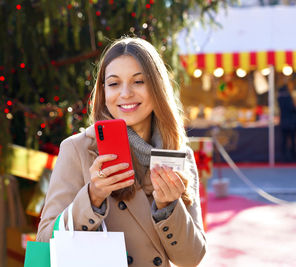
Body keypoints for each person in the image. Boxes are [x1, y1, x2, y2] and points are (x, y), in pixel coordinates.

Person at [36, 37, 206, 267]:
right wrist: (92, 197)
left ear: (157, 87)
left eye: (138, 81)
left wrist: (168, 208)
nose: (125, 93)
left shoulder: (177, 153)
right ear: (103, 91)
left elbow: (191, 259)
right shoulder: (78, 149)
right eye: (114, 84)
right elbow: (45, 242)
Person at [277, 79, 296, 162]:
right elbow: (292, 109)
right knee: (292, 140)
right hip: (291, 122)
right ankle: (292, 157)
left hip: (284, 122)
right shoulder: (288, 98)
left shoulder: (279, 98)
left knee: (284, 141)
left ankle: (284, 157)